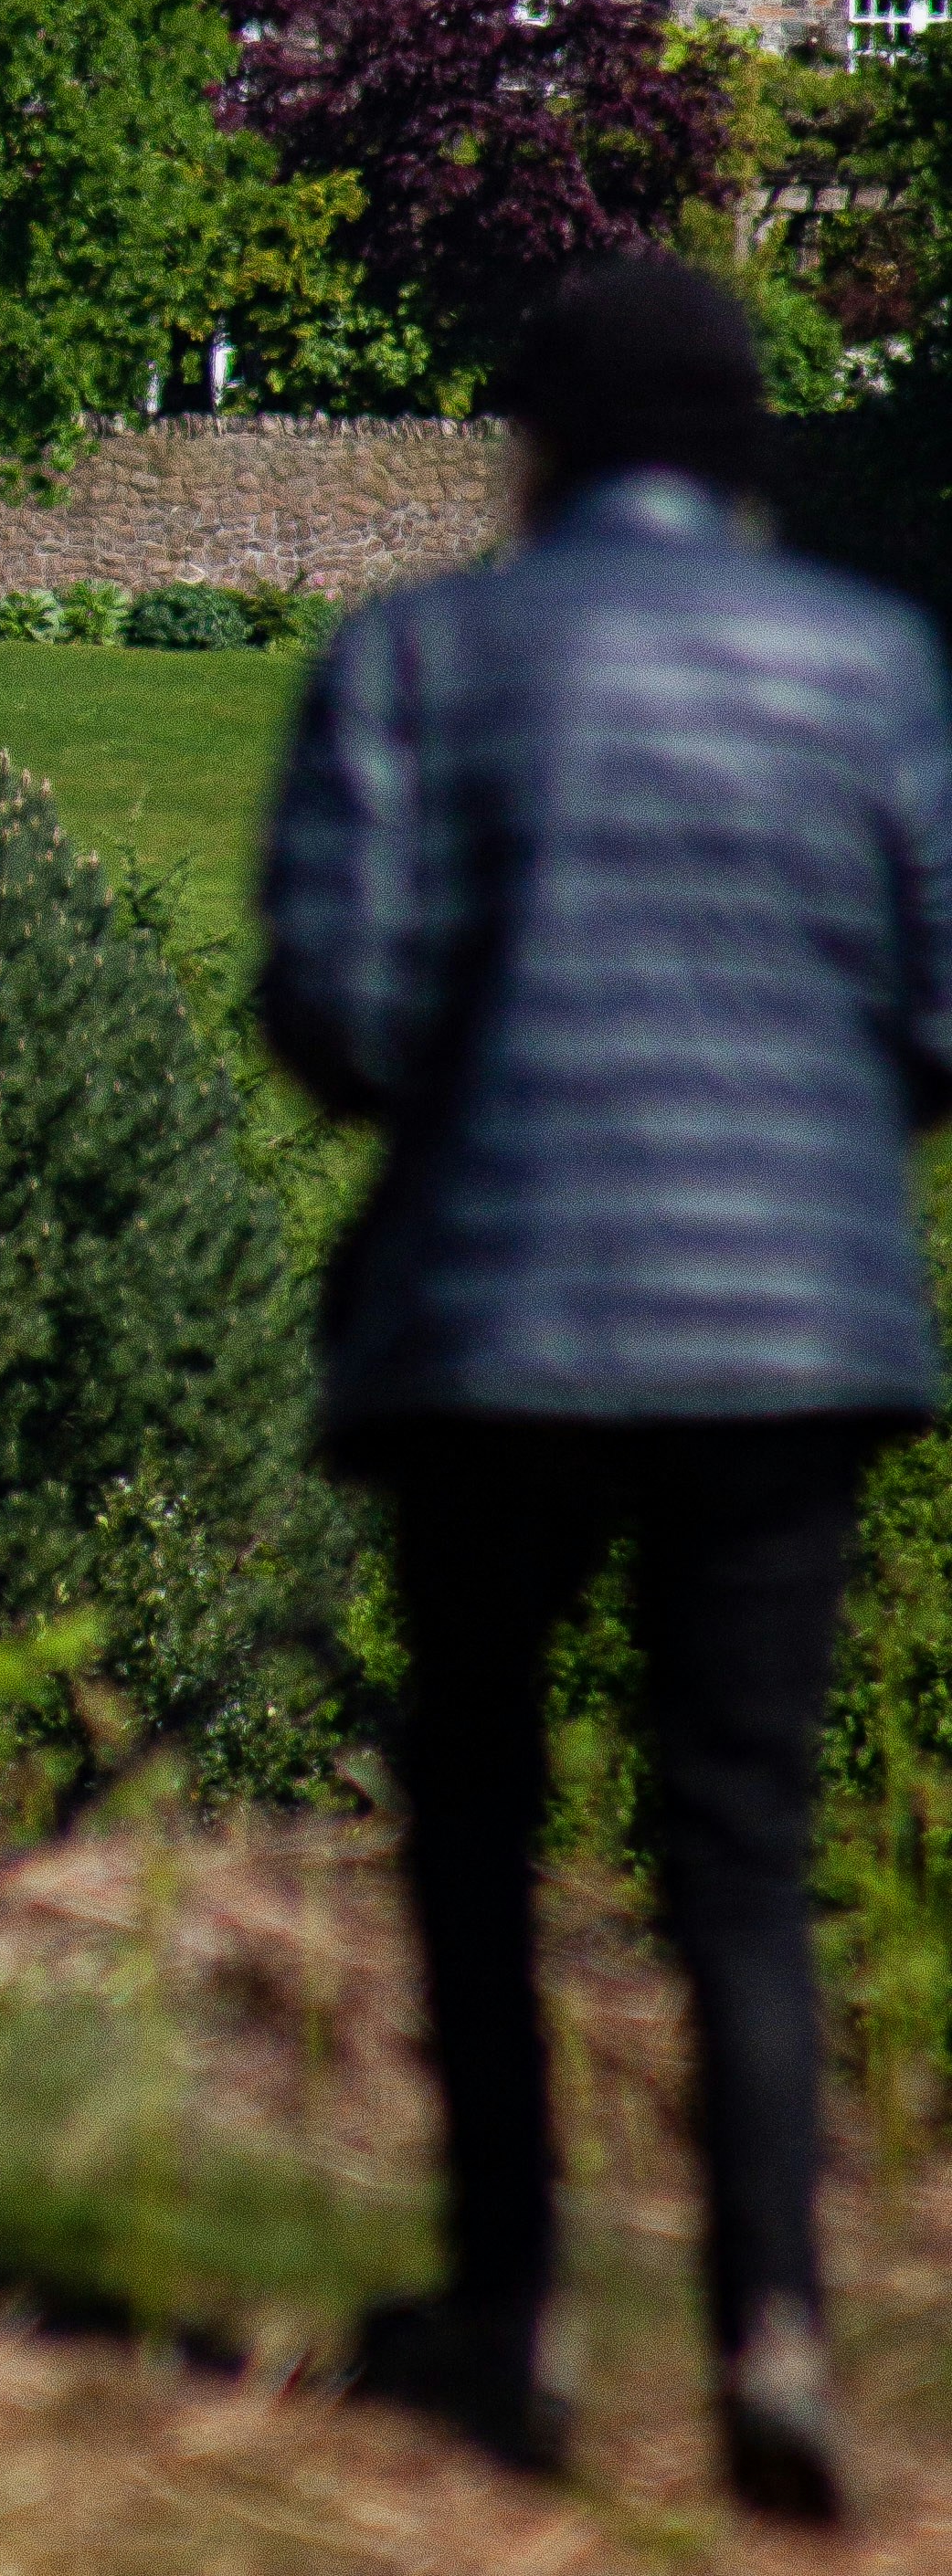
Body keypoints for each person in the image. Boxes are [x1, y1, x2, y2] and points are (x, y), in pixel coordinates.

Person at [260, 253, 952, 2524]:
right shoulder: (878, 673)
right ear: (746, 450)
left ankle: (516, 2306)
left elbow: (338, 1013)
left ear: (535, 443)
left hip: (499, 1320)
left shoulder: (420, 659)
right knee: (736, 1854)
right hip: (791, 1331)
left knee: (479, 1816)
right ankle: (771, 2329)